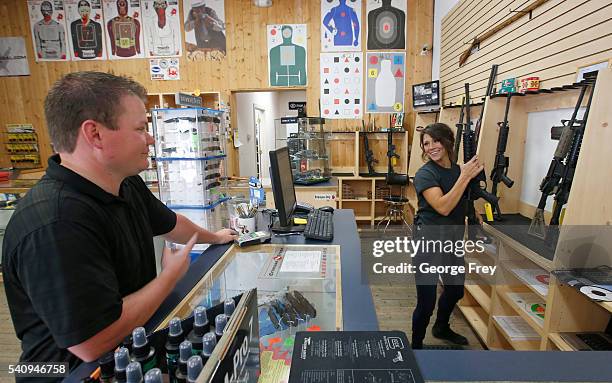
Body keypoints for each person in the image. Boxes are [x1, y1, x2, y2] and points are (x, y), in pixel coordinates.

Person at [2, 72, 238, 373]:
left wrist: (215, 238)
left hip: (131, 353)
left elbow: (171, 223)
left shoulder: (125, 184)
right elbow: (91, 342)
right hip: (70, 373)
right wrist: (169, 278)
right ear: (95, 134)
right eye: (141, 129)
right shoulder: (56, 223)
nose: (151, 138)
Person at [411, 123, 483, 349]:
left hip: (451, 243)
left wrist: (474, 213)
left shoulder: (456, 171)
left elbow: (462, 197)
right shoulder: (425, 174)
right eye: (426, 143)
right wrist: (465, 176)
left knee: (455, 290)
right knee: (426, 302)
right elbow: (442, 206)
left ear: (447, 141)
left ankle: (441, 327)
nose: (431, 147)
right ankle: (416, 345)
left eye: (435, 141)